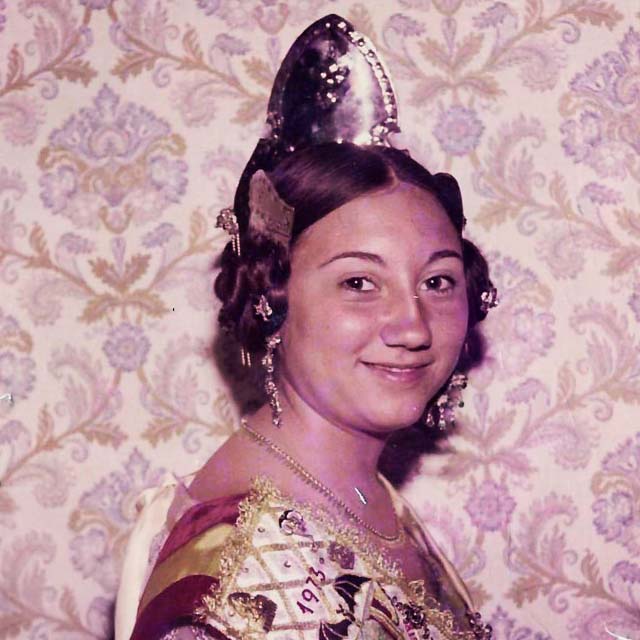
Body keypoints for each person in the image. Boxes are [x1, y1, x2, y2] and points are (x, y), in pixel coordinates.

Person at [115, 15, 497, 640]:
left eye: (437, 281)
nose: (413, 326)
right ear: (272, 294)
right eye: (359, 282)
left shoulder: (361, 492)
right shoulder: (250, 574)